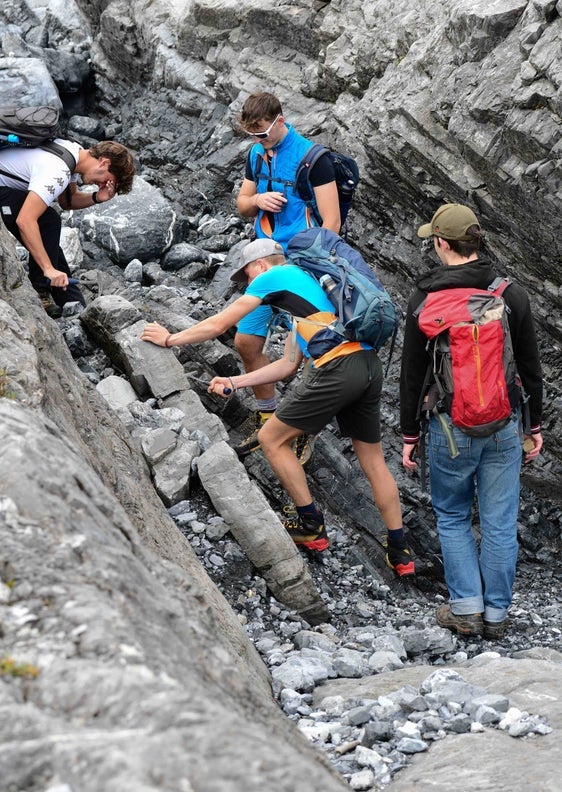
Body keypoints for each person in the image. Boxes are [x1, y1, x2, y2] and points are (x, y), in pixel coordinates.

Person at [141, 236, 414, 573]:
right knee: (373, 462)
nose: (249, 286)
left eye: (248, 278)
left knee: (271, 439)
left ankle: (310, 526)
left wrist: (170, 339)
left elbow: (219, 324)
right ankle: (400, 554)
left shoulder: (274, 275)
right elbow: (287, 365)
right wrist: (234, 382)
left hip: (338, 367)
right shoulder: (308, 299)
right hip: (368, 367)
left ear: (260, 265)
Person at [400, 203, 543, 639]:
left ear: (441, 242)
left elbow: (410, 375)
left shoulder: (425, 299)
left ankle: (466, 609)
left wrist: (409, 434)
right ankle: (496, 615)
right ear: (476, 241)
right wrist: (533, 428)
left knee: (453, 516)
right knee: (500, 521)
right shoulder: (509, 293)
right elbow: (531, 368)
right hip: (503, 425)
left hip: (449, 428)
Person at [234, 92, 341, 458]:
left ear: (280, 119)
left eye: (262, 133)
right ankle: (267, 415)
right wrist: (257, 201)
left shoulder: (314, 161)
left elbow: (332, 223)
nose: (257, 141)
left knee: (311, 352)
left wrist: (317, 270)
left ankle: (301, 428)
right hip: (265, 261)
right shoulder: (255, 154)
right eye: (252, 135)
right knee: (246, 342)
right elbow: (242, 203)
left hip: (302, 263)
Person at [0, 139, 135, 316]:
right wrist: (48, 269)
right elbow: (25, 220)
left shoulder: (72, 151)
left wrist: (97, 197)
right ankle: (41, 288)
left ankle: (73, 304)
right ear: (104, 162)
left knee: (49, 239)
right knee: (49, 221)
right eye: (107, 181)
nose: (100, 185)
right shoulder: (58, 171)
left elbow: (67, 201)